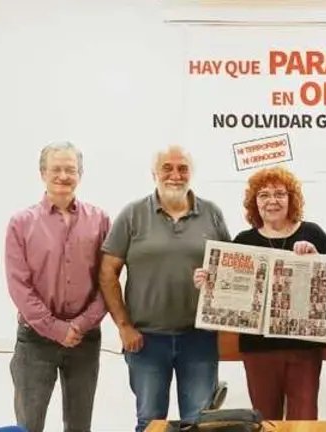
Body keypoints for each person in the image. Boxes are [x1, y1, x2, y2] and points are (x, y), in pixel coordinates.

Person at [99, 145, 231, 432]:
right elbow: (108, 272)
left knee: (199, 424)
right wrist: (124, 326)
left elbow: (231, 271)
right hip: (146, 340)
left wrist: (216, 281)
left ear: (191, 173)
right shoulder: (132, 214)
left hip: (200, 338)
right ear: (154, 173)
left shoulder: (213, 214)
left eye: (182, 168)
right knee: (150, 423)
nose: (175, 175)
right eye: (167, 168)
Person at [195, 165, 326, 420]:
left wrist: (315, 261)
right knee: (264, 421)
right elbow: (229, 294)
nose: (272, 200)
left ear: (291, 199)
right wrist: (209, 282)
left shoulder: (313, 234)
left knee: (304, 421)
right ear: (254, 203)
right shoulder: (243, 241)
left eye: (280, 194)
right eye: (264, 195)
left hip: (304, 349)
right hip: (258, 349)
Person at [4, 142, 110, 432]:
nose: (63, 175)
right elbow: (19, 285)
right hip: (35, 341)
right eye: (56, 169)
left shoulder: (100, 220)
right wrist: (55, 328)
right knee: (29, 425)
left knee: (79, 426)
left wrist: (80, 324)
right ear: (42, 173)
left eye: (70, 169)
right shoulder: (20, 223)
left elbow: (108, 281)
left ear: (81, 174)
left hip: (84, 339)